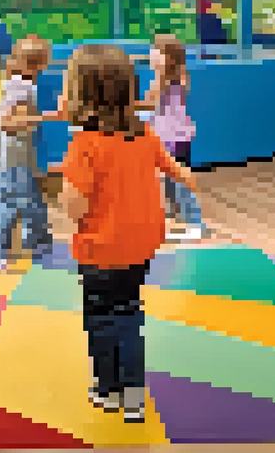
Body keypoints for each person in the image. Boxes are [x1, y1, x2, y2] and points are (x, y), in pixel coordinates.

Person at [56, 45, 195, 423]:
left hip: (101, 248)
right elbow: (169, 164)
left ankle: (107, 389)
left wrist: (64, 195)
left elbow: (75, 204)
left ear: (81, 94)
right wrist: (186, 178)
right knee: (129, 312)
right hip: (140, 245)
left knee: (101, 318)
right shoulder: (143, 133)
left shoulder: (85, 143)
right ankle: (133, 394)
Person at [0, 35, 55, 271]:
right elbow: (8, 122)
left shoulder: (18, 82)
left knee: (33, 201)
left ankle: (39, 243)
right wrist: (47, 116)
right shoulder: (20, 85)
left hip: (17, 157)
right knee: (10, 204)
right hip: (10, 160)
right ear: (40, 64)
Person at [137, 34, 204, 241]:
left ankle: (195, 221)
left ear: (168, 57)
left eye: (157, 50)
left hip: (175, 138)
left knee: (180, 180)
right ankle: (175, 215)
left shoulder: (170, 79)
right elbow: (149, 104)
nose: (152, 53)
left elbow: (149, 102)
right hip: (165, 137)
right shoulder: (169, 77)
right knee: (166, 180)